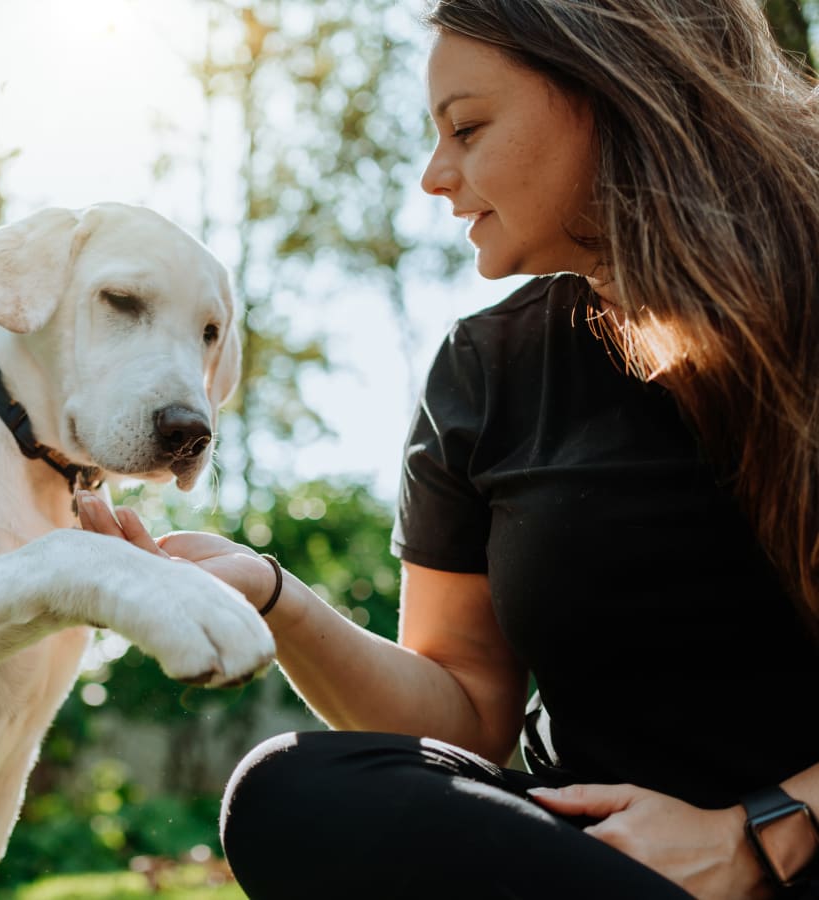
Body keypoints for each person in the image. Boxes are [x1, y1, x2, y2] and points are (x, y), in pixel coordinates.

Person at [77, 0, 819, 896]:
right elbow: (468, 721)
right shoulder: (486, 367)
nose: (435, 175)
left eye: (467, 127)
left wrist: (758, 836)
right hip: (579, 860)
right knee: (290, 792)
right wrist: (275, 597)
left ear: (615, 88)